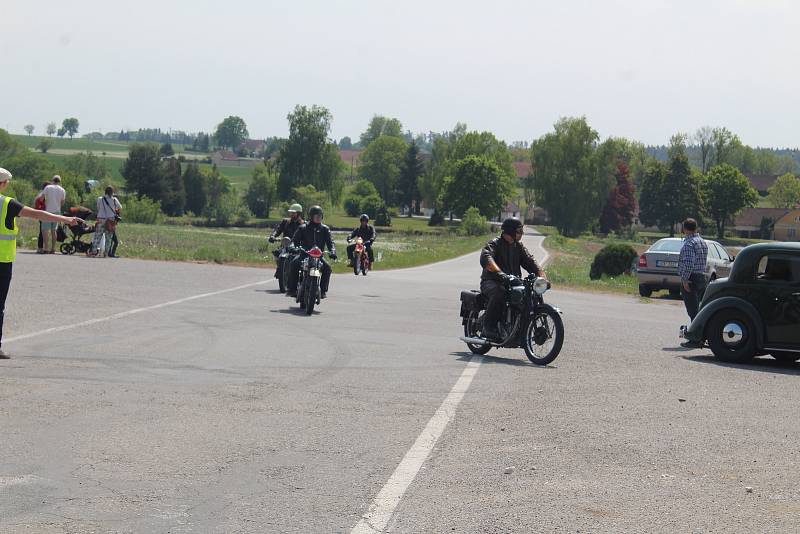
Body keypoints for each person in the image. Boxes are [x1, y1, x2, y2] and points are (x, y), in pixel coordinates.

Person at [0, 168, 84, 359]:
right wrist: (66, 219)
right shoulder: (7, 203)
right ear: (3, 184)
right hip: (2, 262)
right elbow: (38, 214)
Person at [479, 218, 545, 341]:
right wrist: (500, 273)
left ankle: (519, 328)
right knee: (500, 292)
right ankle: (488, 327)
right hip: (492, 282)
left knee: (529, 294)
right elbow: (486, 256)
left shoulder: (518, 247)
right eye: (519, 231)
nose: (522, 234)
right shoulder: (495, 244)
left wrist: (542, 277)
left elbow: (530, 261)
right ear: (510, 231)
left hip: (513, 283)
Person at [287, 205, 337, 299]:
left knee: (327, 268)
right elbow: (294, 241)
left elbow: (331, 242)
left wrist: (333, 251)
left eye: (320, 215)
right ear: (311, 216)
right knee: (294, 263)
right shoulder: (303, 228)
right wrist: (293, 247)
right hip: (304, 254)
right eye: (316, 215)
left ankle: (323, 291)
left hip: (319, 256)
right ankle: (292, 289)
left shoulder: (325, 229)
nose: (319, 217)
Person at [678, 218, 709, 348]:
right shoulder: (702, 242)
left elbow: (689, 263)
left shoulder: (689, 243)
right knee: (701, 309)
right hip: (701, 277)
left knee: (693, 310)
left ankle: (695, 339)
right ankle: (702, 336)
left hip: (692, 279)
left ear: (685, 229)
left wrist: (685, 280)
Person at [268, 203, 304, 283]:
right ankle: (280, 268)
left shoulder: (303, 224)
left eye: (293, 213)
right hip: (285, 245)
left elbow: (307, 236)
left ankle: (301, 276)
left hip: (297, 247)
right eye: (291, 212)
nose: (291, 214)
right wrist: (272, 236)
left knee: (301, 260)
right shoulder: (285, 222)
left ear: (298, 213)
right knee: (277, 253)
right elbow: (277, 230)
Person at [92, 186, 122, 258]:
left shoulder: (100, 199)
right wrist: (115, 212)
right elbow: (120, 207)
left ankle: (94, 251)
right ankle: (106, 253)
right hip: (110, 221)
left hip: (101, 219)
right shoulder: (114, 200)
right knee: (108, 238)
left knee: (97, 237)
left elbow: (98, 208)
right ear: (112, 193)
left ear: (105, 192)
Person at [41, 175, 66, 254]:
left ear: (52, 180)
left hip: (48, 210)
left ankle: (46, 248)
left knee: (45, 230)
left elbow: (41, 198)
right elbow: (62, 202)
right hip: (57, 211)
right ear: (59, 181)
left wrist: (45, 202)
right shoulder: (62, 190)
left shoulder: (48, 188)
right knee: (53, 230)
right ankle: (53, 248)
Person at [34, 181, 49, 253]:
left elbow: (36, 205)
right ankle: (42, 248)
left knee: (42, 231)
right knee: (44, 231)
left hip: (41, 214)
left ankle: (41, 247)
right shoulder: (44, 195)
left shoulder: (40, 194)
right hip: (45, 214)